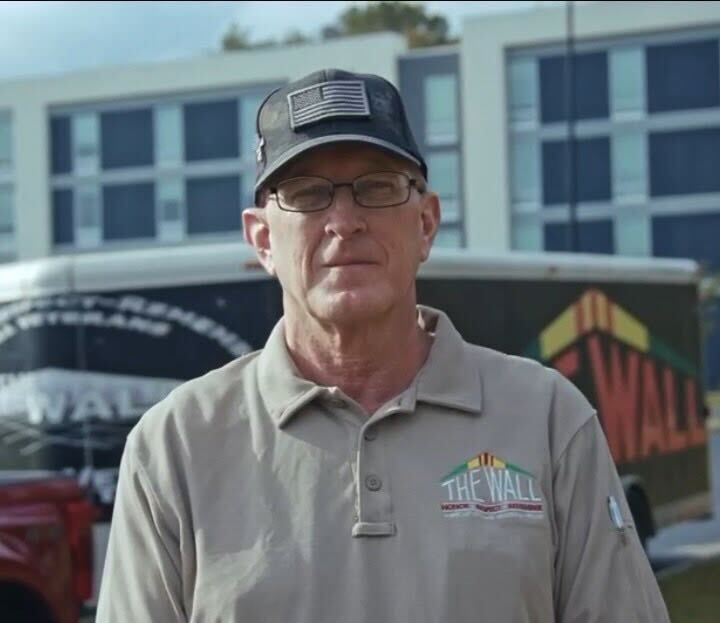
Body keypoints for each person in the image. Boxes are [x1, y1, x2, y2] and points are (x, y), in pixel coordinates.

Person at [96, 68, 670, 622]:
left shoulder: (546, 419)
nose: (345, 221)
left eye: (376, 187)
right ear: (263, 239)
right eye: (306, 194)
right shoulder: (175, 447)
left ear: (425, 224)